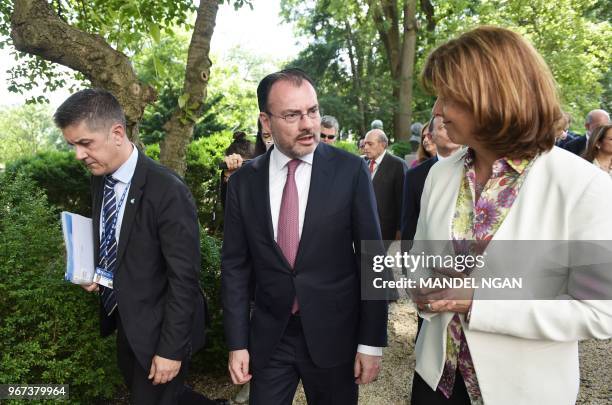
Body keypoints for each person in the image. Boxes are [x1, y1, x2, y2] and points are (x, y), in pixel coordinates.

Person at [408, 26, 612, 404]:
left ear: (491, 98)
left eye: (448, 97)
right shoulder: (440, 173)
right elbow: (421, 258)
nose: (436, 112)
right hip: (435, 379)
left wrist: (479, 301)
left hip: (522, 391)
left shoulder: (585, 187)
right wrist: (421, 284)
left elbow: (599, 312)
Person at [221, 68, 388, 404]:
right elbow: (235, 267)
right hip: (271, 338)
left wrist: (371, 342)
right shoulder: (244, 182)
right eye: (293, 115)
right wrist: (237, 342)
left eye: (312, 111)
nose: (309, 124)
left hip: (335, 336)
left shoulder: (350, 171)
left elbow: (373, 257)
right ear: (266, 122)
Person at [54, 89, 211, 405]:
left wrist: (170, 351)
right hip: (127, 324)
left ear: (117, 133)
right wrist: (95, 271)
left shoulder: (168, 190)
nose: (78, 155)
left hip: (161, 333)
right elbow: (124, 243)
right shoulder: (101, 178)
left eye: (85, 143)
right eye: (73, 146)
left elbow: (184, 280)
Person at [363, 128, 408, 244]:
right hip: (366, 229)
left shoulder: (398, 165)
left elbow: (403, 200)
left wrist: (400, 229)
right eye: (364, 144)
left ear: (383, 145)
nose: (365, 147)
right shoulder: (363, 163)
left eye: (370, 144)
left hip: (388, 231)